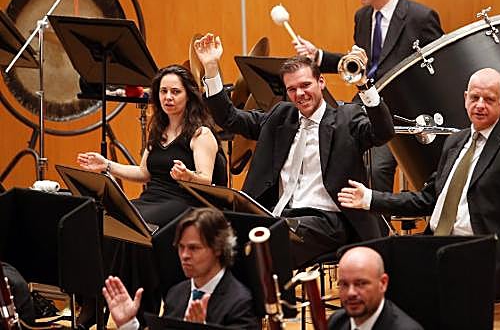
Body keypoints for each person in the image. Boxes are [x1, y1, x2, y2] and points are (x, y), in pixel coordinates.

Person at [338, 68, 500, 300]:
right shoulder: (454, 142)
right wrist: (369, 198)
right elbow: (428, 199)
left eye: (489, 99)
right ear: (465, 98)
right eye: (474, 97)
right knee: (374, 266)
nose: (480, 105)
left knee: (418, 292)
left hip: (481, 251)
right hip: (435, 242)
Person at [194, 33, 394, 267]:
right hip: (277, 215)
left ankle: (269, 291)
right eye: (292, 89)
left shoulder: (346, 118)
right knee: (218, 238)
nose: (299, 94)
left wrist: (363, 84)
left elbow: (383, 132)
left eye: (305, 85)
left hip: (327, 221)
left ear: (321, 82)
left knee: (267, 245)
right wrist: (211, 68)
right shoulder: (281, 116)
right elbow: (229, 118)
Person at [294, 0, 444, 193]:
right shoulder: (363, 17)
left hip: (405, 111)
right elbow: (362, 64)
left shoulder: (420, 17)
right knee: (334, 154)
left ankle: (379, 216)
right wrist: (318, 56)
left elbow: (439, 66)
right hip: (367, 104)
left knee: (376, 169)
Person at [77, 64, 227, 227]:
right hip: (150, 199)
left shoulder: (201, 134)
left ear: (189, 96)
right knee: (108, 220)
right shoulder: (159, 129)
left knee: (133, 224)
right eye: (163, 91)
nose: (168, 97)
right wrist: (106, 165)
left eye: (175, 92)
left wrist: (188, 176)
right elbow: (144, 173)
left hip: (185, 203)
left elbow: (206, 180)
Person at [102, 207, 259, 329]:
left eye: (194, 248)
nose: (184, 255)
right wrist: (128, 324)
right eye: (181, 247)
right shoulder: (176, 294)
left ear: (218, 248)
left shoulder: (240, 303)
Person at [328, 246, 423, 330]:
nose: (350, 293)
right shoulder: (336, 321)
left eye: (360, 284)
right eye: (344, 284)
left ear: (383, 283)